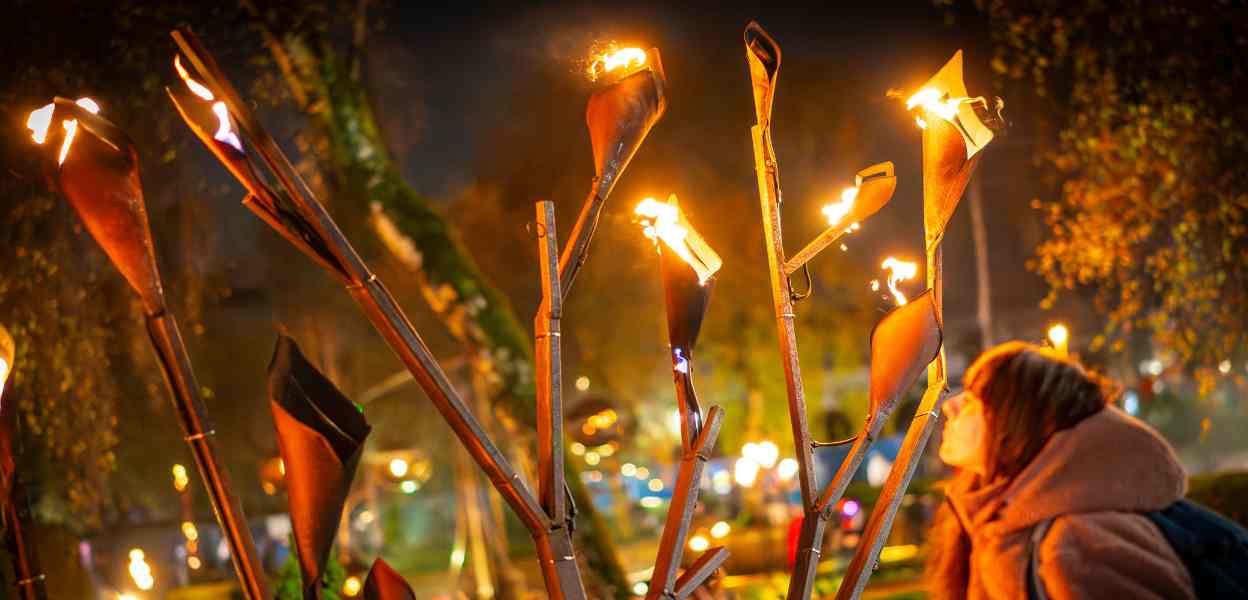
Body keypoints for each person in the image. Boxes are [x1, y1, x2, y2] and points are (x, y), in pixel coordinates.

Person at [926, 341, 1195, 600]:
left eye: (973, 398)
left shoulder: (1079, 547)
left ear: (1018, 420)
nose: (951, 405)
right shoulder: (994, 522)